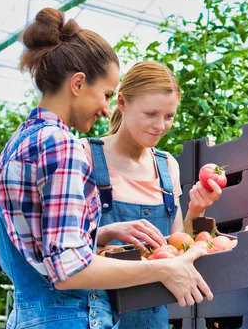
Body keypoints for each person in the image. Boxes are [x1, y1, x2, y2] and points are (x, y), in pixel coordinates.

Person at [0, 8, 212, 329]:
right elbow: (68, 272)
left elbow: (32, 253)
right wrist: (163, 269)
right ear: (78, 83)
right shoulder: (62, 146)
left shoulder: (22, 142)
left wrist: (101, 234)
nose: (106, 108)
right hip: (71, 319)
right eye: (106, 94)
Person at [80, 61, 222, 329]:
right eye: (150, 113)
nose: (160, 125)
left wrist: (197, 210)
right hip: (97, 318)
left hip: (153, 320)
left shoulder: (167, 165)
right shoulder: (85, 155)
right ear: (122, 103)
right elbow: (64, 246)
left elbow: (177, 246)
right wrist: (109, 231)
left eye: (169, 116)